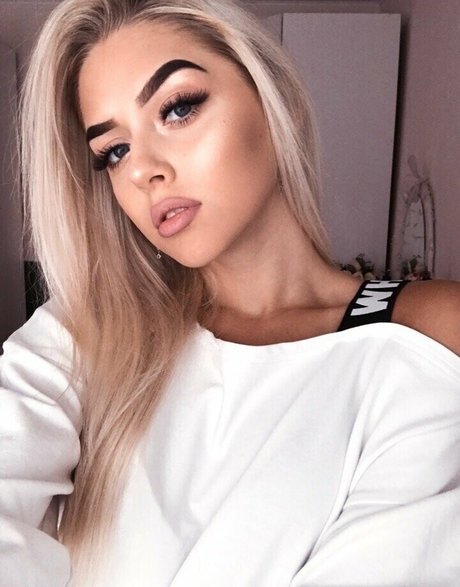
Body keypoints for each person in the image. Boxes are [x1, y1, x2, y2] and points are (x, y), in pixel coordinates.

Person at [1, 0, 460, 585]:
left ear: (272, 100)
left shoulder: (419, 331)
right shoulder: (86, 333)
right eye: (114, 151)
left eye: (177, 108)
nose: (142, 170)